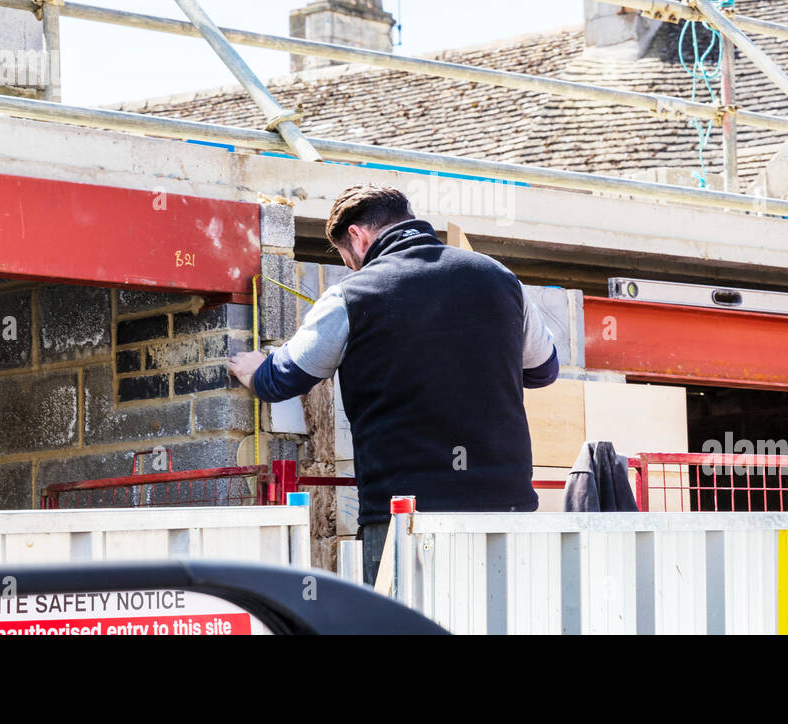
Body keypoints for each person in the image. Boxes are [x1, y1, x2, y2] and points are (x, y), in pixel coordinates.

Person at [228, 184, 559, 584]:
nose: (351, 267)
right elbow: (543, 371)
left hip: (405, 515)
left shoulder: (353, 295)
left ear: (357, 236)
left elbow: (283, 379)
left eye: (347, 257)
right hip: (505, 509)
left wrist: (253, 368)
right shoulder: (499, 278)